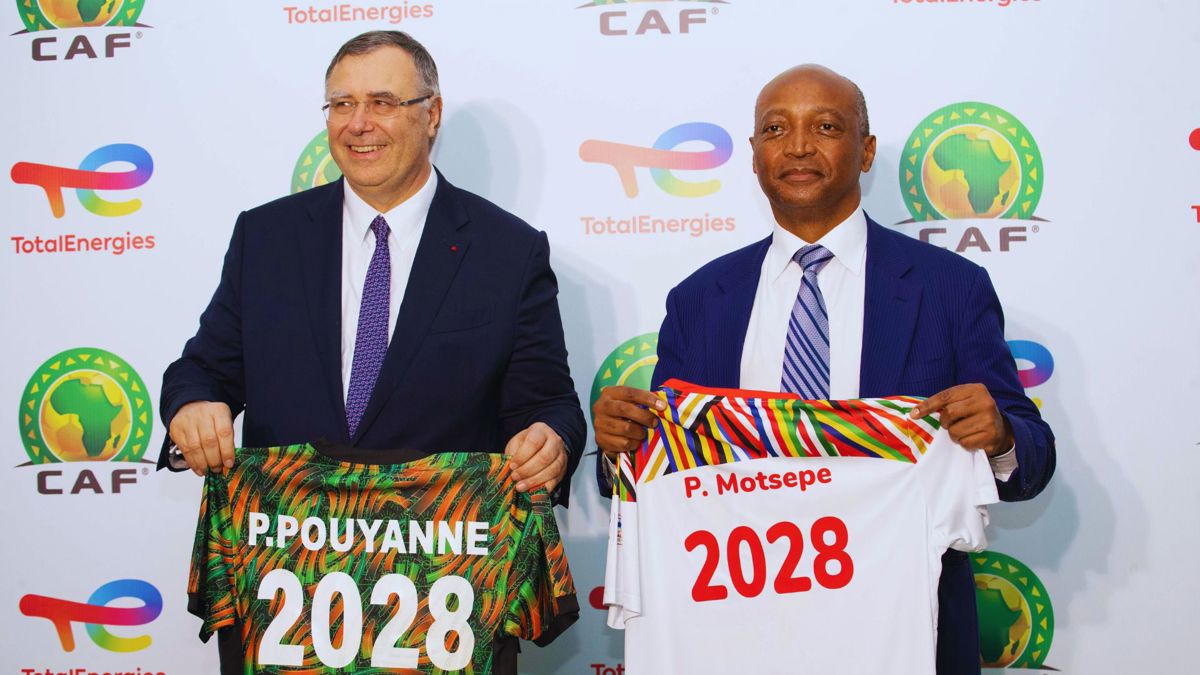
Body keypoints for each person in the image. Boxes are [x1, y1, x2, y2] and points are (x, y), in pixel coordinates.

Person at [592, 64, 1054, 675]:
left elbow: (1031, 462)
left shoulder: (950, 288)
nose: (799, 146)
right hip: (733, 633)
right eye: (776, 129)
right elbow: (662, 470)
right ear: (753, 155)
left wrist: (999, 438)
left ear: (866, 150)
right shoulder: (701, 299)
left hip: (904, 629)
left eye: (827, 127)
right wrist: (619, 448)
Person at [159, 30, 585, 502]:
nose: (358, 124)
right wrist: (192, 404)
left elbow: (549, 405)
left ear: (432, 115)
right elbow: (203, 370)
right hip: (285, 533)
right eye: (342, 104)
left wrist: (550, 441)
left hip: (442, 537)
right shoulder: (265, 238)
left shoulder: (509, 252)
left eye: (382, 103)